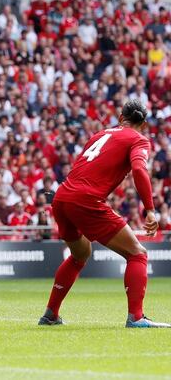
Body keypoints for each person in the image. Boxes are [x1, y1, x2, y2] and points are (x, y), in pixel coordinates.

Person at [39, 100, 170, 328]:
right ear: (144, 124)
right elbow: (139, 169)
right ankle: (136, 317)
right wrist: (150, 209)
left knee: (80, 254)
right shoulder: (139, 139)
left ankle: (51, 314)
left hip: (62, 197)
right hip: (85, 199)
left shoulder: (100, 134)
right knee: (137, 254)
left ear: (121, 118)